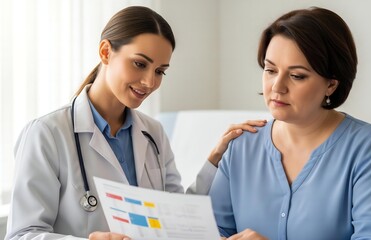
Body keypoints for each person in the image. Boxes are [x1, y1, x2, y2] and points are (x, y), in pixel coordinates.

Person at [5, 6, 266, 240]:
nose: (149, 82)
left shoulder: (153, 133)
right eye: (139, 64)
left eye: (160, 71)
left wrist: (214, 160)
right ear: (106, 52)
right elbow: (22, 234)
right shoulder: (46, 134)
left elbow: (174, 220)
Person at [208, 6, 371, 240]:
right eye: (270, 70)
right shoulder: (241, 146)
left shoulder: (370, 150)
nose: (277, 86)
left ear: (331, 84)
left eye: (297, 76)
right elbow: (211, 230)